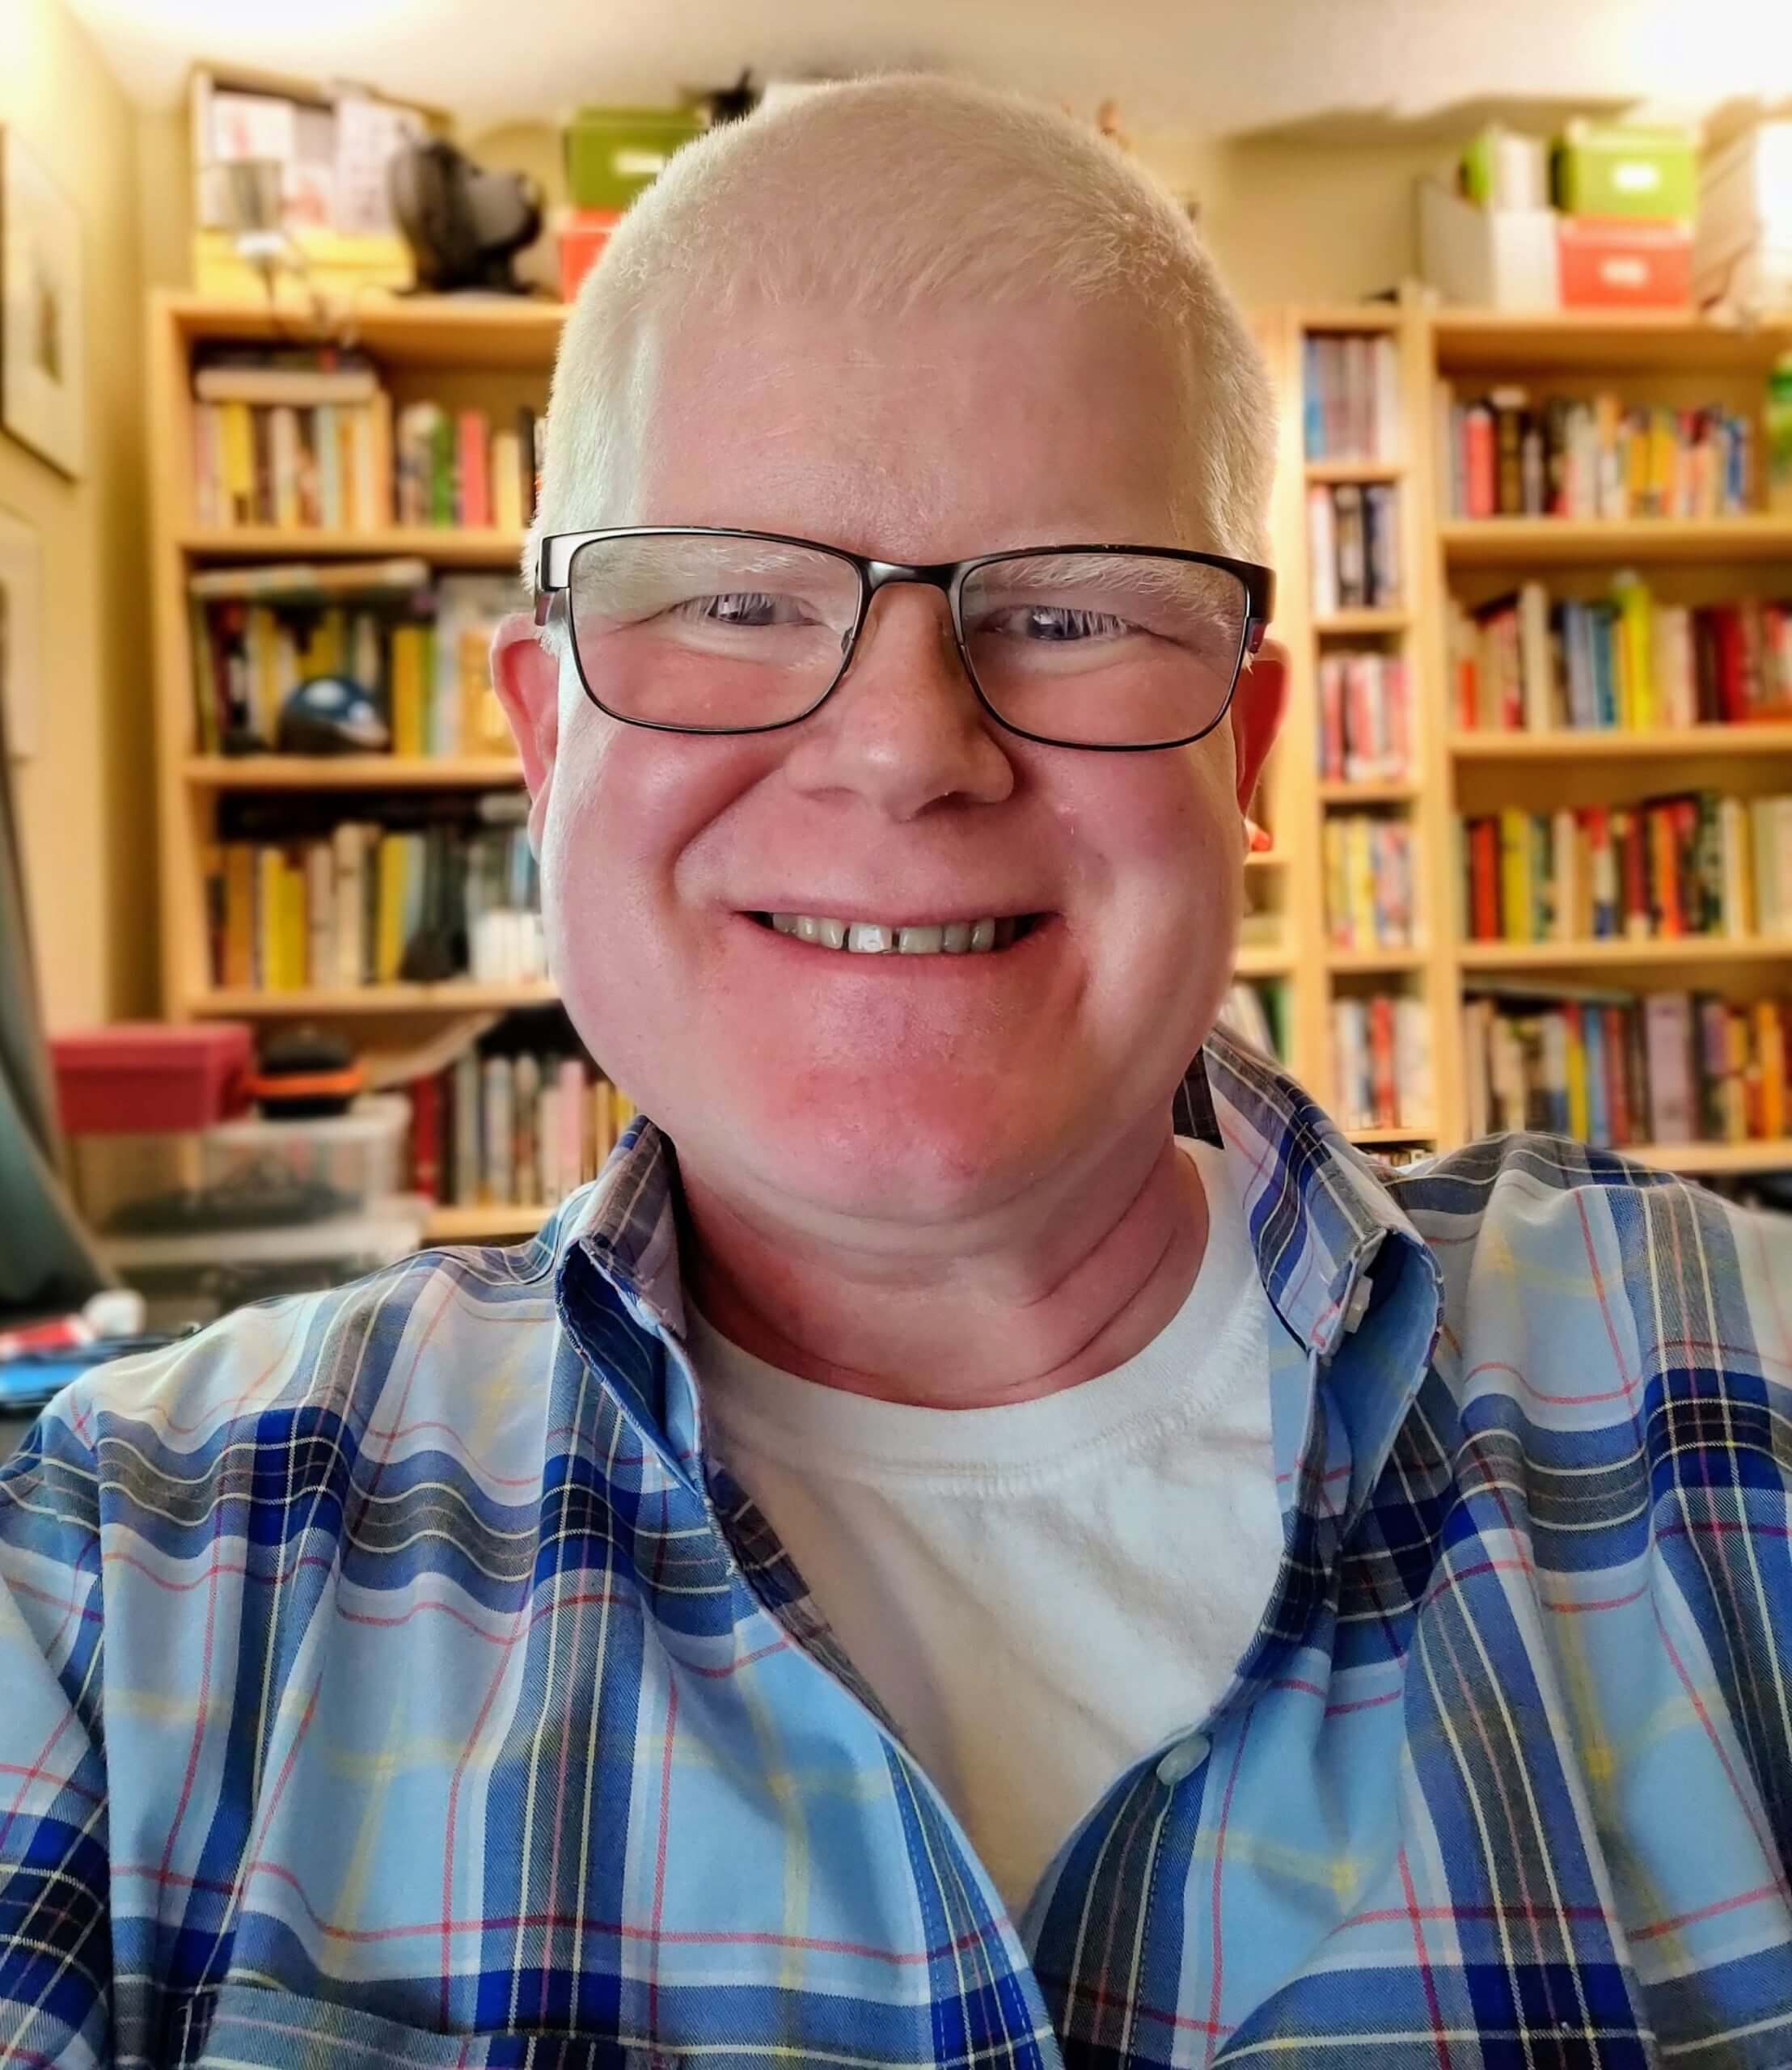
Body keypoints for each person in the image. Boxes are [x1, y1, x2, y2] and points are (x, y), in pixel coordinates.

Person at [3, 74, 1790, 2070]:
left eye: (1066, 611)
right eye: (734, 601)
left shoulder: (1736, 1405)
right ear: (543, 737)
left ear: (1246, 747)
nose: (903, 747)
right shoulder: (115, 1578)